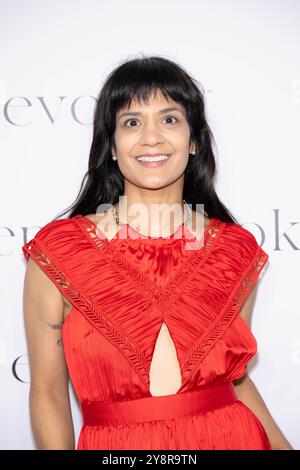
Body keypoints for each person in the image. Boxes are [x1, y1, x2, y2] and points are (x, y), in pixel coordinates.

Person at [22, 55, 293, 450]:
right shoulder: (60, 251)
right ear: (111, 146)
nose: (152, 137)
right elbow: (47, 393)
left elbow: (234, 380)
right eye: (132, 122)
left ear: (194, 139)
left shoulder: (235, 251)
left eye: (169, 119)